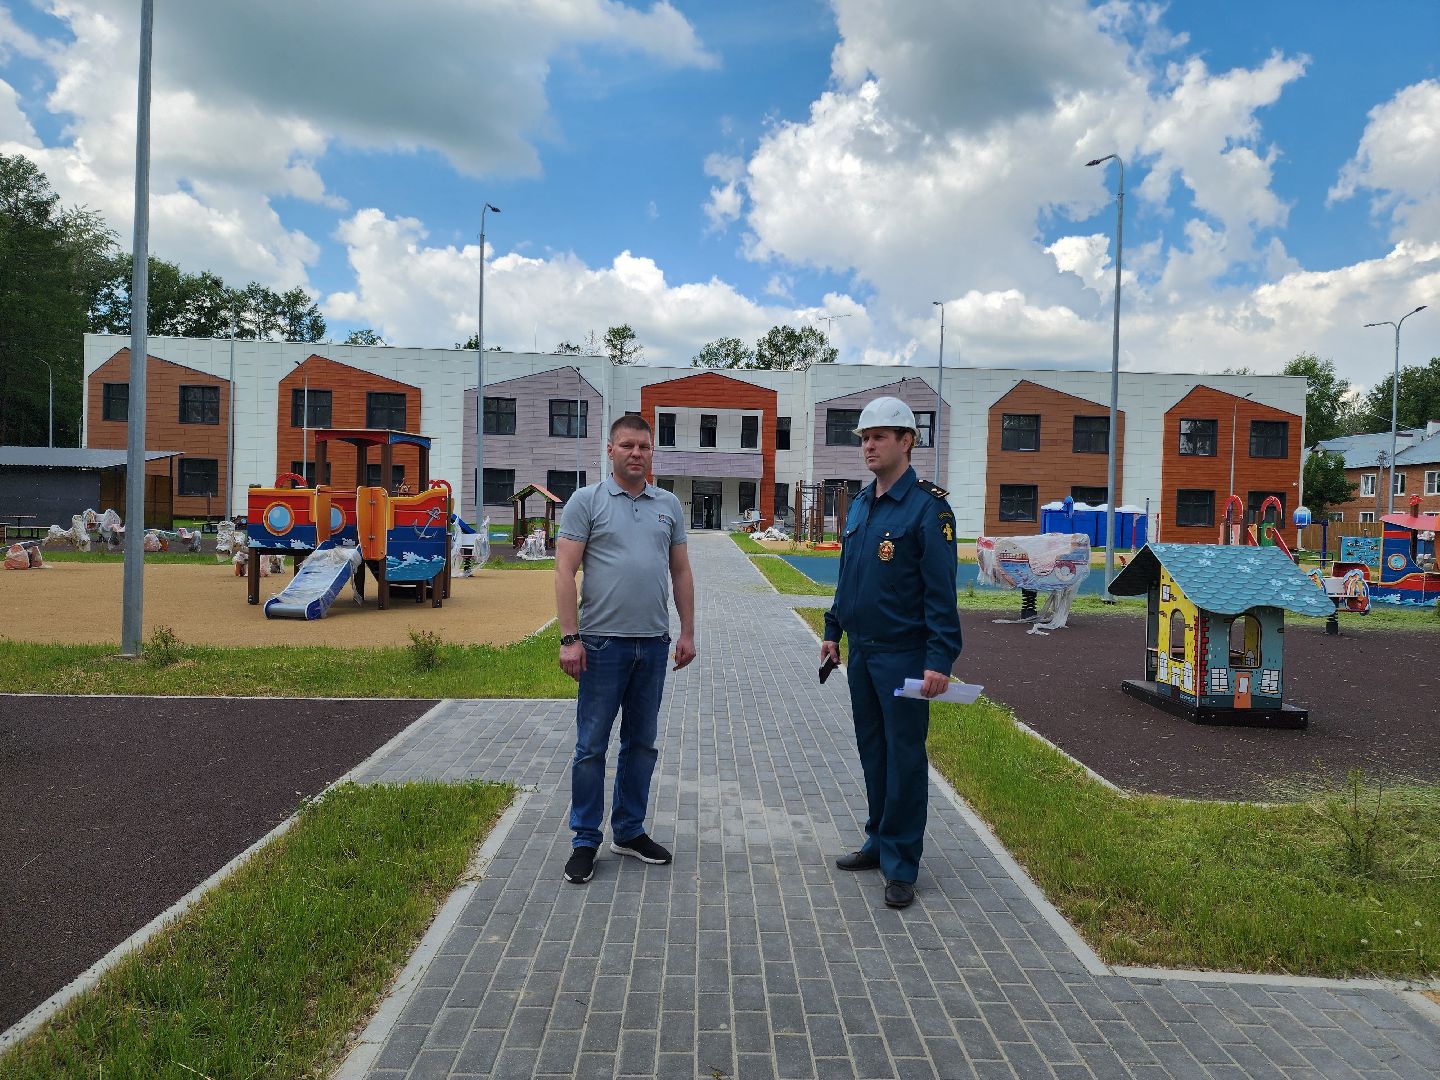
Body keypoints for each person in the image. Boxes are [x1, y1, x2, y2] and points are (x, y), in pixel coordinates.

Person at [821, 396, 962, 909]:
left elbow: (940, 593)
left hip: (905, 656)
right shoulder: (861, 504)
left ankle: (902, 863)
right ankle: (878, 840)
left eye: (880, 436)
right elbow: (848, 577)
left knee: (904, 760)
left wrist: (940, 659)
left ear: (908, 440)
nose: (869, 445)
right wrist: (833, 629)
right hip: (862, 654)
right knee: (873, 753)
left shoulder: (929, 509)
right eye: (863, 437)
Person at [555, 413, 697, 884]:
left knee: (641, 746)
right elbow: (564, 572)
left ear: (652, 452)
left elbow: (680, 571)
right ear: (610, 450)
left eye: (644, 446)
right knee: (591, 746)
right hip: (600, 645)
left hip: (653, 646)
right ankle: (584, 840)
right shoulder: (586, 501)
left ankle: (630, 830)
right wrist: (570, 638)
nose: (636, 453)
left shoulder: (668, 505)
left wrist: (687, 632)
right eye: (627, 445)